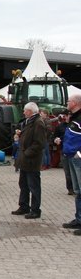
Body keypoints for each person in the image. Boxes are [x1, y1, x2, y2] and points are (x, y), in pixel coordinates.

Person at [11, 102, 48, 219]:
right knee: (23, 184)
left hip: (32, 160)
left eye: (25, 110)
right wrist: (22, 134)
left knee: (34, 185)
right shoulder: (29, 122)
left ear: (30, 112)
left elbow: (40, 142)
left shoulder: (38, 123)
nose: (23, 112)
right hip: (25, 161)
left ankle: (35, 210)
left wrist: (27, 153)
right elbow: (30, 136)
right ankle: (24, 206)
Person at [62, 94, 81, 234]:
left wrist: (79, 153)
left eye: (69, 101)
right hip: (70, 156)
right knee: (77, 191)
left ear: (74, 103)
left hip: (78, 158)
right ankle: (79, 219)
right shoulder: (73, 118)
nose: (67, 103)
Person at [53, 111, 74, 195]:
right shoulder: (60, 126)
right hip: (64, 151)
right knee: (67, 172)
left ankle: (77, 188)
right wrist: (55, 140)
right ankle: (70, 189)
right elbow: (54, 136)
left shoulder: (76, 126)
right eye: (69, 116)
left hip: (75, 152)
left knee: (75, 171)